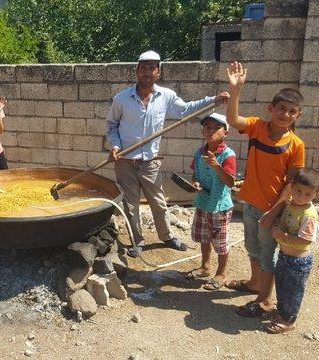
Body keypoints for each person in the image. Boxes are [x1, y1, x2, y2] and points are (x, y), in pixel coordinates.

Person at [106, 50, 229, 257]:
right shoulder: (122, 98)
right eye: (143, 67)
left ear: (158, 72)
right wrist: (116, 146)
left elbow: (186, 110)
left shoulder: (166, 96)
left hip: (151, 162)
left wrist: (213, 101)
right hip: (125, 161)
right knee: (131, 204)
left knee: (159, 203)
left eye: (152, 68)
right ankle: (137, 241)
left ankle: (167, 236)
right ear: (137, 70)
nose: (147, 72)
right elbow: (112, 125)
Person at [224, 61, 306, 317]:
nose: (286, 115)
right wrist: (235, 91)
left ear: (298, 116)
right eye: (281, 109)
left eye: (292, 112)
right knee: (252, 247)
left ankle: (265, 299)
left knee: (268, 254)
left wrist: (275, 211)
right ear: (271, 109)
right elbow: (232, 119)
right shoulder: (257, 127)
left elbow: (291, 184)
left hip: (272, 210)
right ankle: (254, 282)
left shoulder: (296, 145)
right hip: (250, 202)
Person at [265, 168, 319, 334]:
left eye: (307, 194)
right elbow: (285, 221)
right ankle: (283, 312)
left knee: (293, 292)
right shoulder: (291, 205)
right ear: (292, 187)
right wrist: (278, 225)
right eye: (298, 191)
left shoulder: (309, 214)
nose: (301, 196)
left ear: (316, 195)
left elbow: (306, 239)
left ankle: (289, 321)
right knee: (283, 288)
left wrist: (283, 235)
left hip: (298, 262)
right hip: (284, 257)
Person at [186, 113, 236, 290]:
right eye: (208, 127)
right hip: (203, 202)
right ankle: (205, 266)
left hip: (219, 205)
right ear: (202, 131)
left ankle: (221, 273)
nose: (211, 131)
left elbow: (230, 182)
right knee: (204, 236)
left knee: (220, 241)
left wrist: (216, 166)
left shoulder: (228, 155)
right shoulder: (199, 152)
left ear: (226, 133)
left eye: (216, 128)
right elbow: (194, 174)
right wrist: (195, 182)